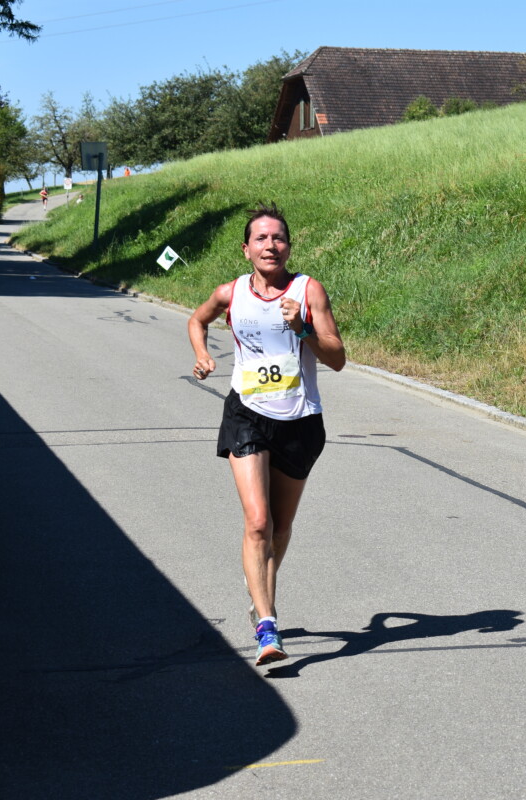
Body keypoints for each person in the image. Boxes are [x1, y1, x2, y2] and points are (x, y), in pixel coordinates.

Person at [188, 203, 346, 666]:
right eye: (261, 238)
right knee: (258, 522)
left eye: (278, 238)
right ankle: (267, 625)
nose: (270, 245)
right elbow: (197, 320)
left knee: (279, 527)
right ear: (246, 249)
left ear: (288, 247)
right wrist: (202, 354)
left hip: (300, 421)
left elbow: (337, 358)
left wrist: (303, 328)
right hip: (247, 414)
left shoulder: (307, 290)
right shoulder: (230, 293)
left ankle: (257, 580)